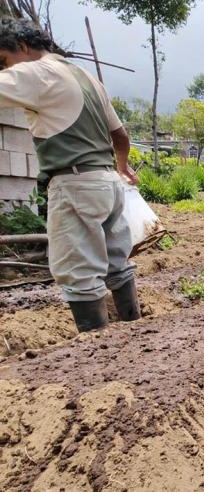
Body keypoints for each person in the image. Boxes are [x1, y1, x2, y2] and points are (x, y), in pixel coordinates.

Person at [0, 18, 141, 332]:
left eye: (4, 61)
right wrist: (122, 166)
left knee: (78, 271)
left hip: (74, 182)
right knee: (117, 261)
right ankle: (134, 332)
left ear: (22, 47)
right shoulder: (85, 76)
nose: (6, 69)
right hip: (108, 183)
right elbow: (120, 135)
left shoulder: (35, 72)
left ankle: (97, 348)